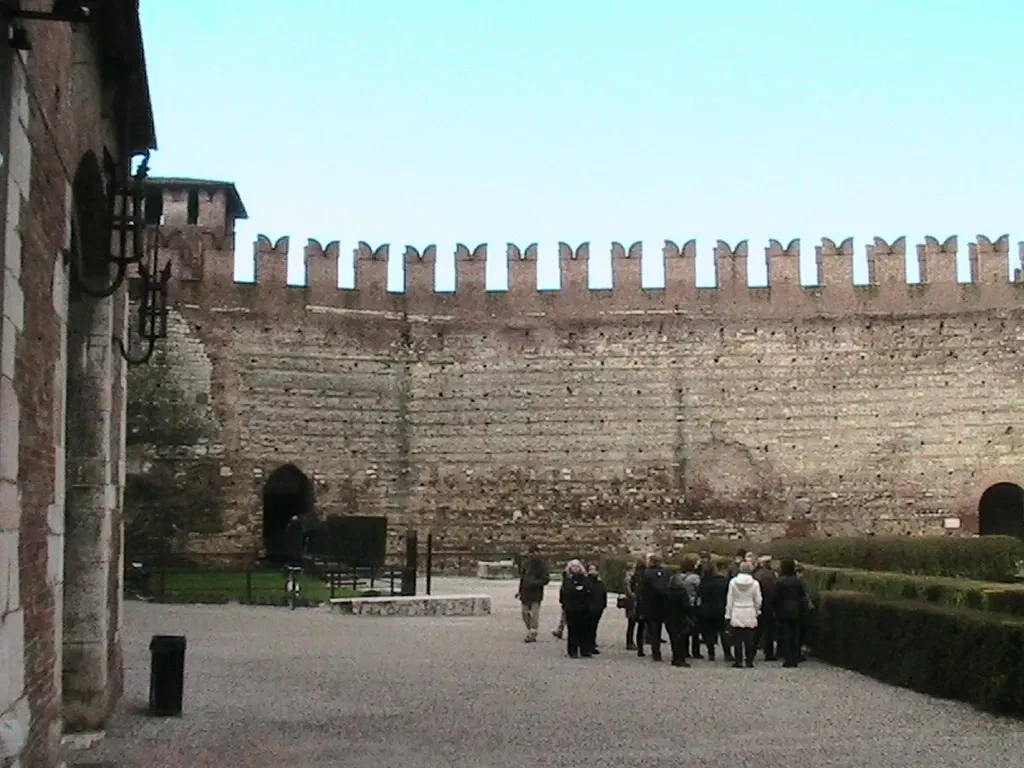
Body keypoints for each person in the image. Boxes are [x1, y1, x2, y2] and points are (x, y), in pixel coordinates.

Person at [725, 561, 762, 668]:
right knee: (749, 639)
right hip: (749, 610)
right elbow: (758, 599)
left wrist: (728, 614)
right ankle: (749, 660)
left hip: (737, 610)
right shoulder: (755, 583)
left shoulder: (733, 582)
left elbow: (730, 599)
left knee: (737, 639)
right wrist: (756, 610)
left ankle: (738, 660)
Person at [774, 558, 809, 667]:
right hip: (796, 610)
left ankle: (788, 658)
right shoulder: (797, 580)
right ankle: (795, 657)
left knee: (785, 635)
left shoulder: (780, 581)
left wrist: (775, 609)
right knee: (795, 635)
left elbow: (776, 597)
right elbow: (802, 596)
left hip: (783, 610)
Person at [639, 553, 671, 662]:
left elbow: (643, 590)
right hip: (664, 604)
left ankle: (656, 652)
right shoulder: (666, 573)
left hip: (650, 604)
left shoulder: (647, 573)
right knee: (665, 628)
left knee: (654, 630)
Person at [515, 544, 550, 643]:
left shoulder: (542, 564)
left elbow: (546, 579)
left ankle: (533, 632)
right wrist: (519, 590)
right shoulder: (526, 563)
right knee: (524, 613)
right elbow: (522, 578)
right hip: (525, 592)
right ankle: (531, 628)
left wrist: (535, 583)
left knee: (534, 613)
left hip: (536, 592)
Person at [696, 563, 729, 661]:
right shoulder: (723, 581)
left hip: (707, 610)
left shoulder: (703, 583)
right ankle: (727, 653)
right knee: (723, 632)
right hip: (720, 608)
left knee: (709, 632)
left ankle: (711, 653)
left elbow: (699, 595)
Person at [560, 559, 592, 658]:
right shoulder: (567, 579)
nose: (575, 568)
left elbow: (588, 591)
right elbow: (566, 592)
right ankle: (572, 650)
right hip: (571, 608)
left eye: (577, 566)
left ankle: (584, 650)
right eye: (573, 566)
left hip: (583, 607)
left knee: (584, 630)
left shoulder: (585, 579)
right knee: (572, 630)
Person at [664, 561, 694, 667]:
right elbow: (686, 606)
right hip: (681, 618)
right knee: (682, 638)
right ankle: (681, 658)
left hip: (669, 617)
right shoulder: (682, 593)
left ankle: (675, 657)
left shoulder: (667, 592)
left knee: (673, 638)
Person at [752, 554, 778, 661]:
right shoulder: (772, 575)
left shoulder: (757, 575)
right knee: (769, 631)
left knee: (757, 631)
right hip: (769, 605)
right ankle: (769, 654)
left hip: (759, 605)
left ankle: (751, 652)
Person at [625, 557, 647, 653]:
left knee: (633, 623)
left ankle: (632, 642)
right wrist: (634, 596)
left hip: (634, 600)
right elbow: (628, 587)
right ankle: (632, 642)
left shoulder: (635, 574)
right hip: (634, 601)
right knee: (634, 622)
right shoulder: (634, 575)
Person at [585, 565, 607, 655]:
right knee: (588, 627)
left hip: (598, 608)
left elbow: (603, 595)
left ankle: (592, 644)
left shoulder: (600, 583)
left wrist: (603, 605)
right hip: (588, 608)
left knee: (594, 627)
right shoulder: (586, 582)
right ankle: (587, 645)